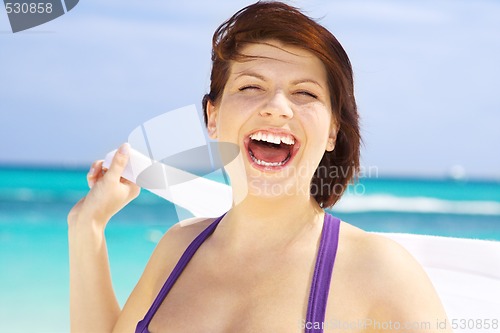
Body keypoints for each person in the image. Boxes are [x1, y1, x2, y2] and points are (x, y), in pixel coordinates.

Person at [68, 2, 451, 332]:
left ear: (333, 130)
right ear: (212, 116)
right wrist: (88, 228)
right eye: (251, 87)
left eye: (305, 93)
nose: (277, 106)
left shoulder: (381, 272)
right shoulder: (177, 248)